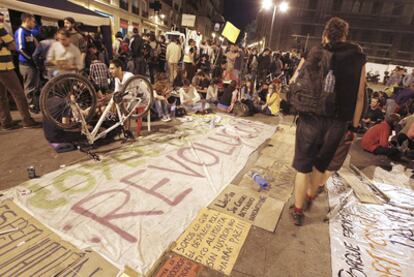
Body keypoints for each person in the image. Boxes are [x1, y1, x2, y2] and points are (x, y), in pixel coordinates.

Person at [291, 17, 366, 226]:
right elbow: (360, 96)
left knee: (302, 166)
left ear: (325, 34)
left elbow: (294, 81)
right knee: (320, 165)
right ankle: (308, 198)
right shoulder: (358, 57)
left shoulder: (314, 52)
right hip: (337, 123)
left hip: (310, 119)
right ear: (345, 35)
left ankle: (298, 211)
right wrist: (355, 126)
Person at [0, 21, 40, 130]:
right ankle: (27, 120)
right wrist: (5, 44)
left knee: (1, 97)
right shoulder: (1, 28)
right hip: (4, 66)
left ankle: (6, 122)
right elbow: (13, 46)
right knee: (18, 93)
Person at [15, 13, 40, 113]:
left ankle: (34, 105)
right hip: (26, 64)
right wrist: (31, 59)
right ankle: (31, 106)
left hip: (32, 64)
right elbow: (20, 49)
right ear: (27, 20)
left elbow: (37, 31)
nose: (34, 23)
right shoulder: (21, 31)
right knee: (29, 87)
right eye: (33, 21)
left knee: (34, 86)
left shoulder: (29, 31)